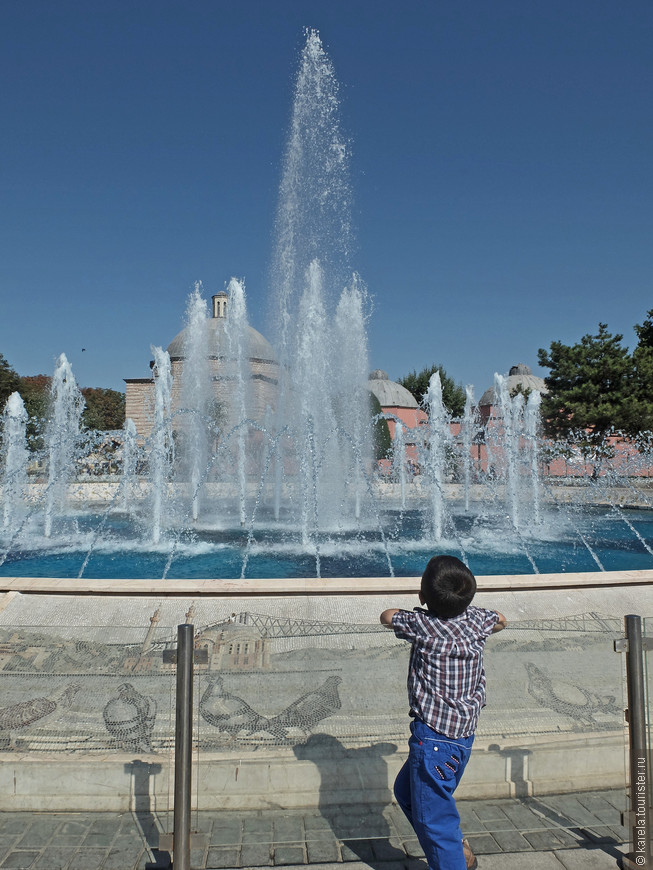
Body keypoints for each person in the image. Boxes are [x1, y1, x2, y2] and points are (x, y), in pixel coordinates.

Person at [380, 555, 507, 870]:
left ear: (422, 596)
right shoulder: (478, 622)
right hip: (462, 737)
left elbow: (386, 616)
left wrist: (420, 608)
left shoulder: (423, 625)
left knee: (434, 819)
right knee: (407, 792)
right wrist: (472, 612)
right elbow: (501, 619)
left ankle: (451, 857)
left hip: (433, 740)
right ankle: (456, 850)